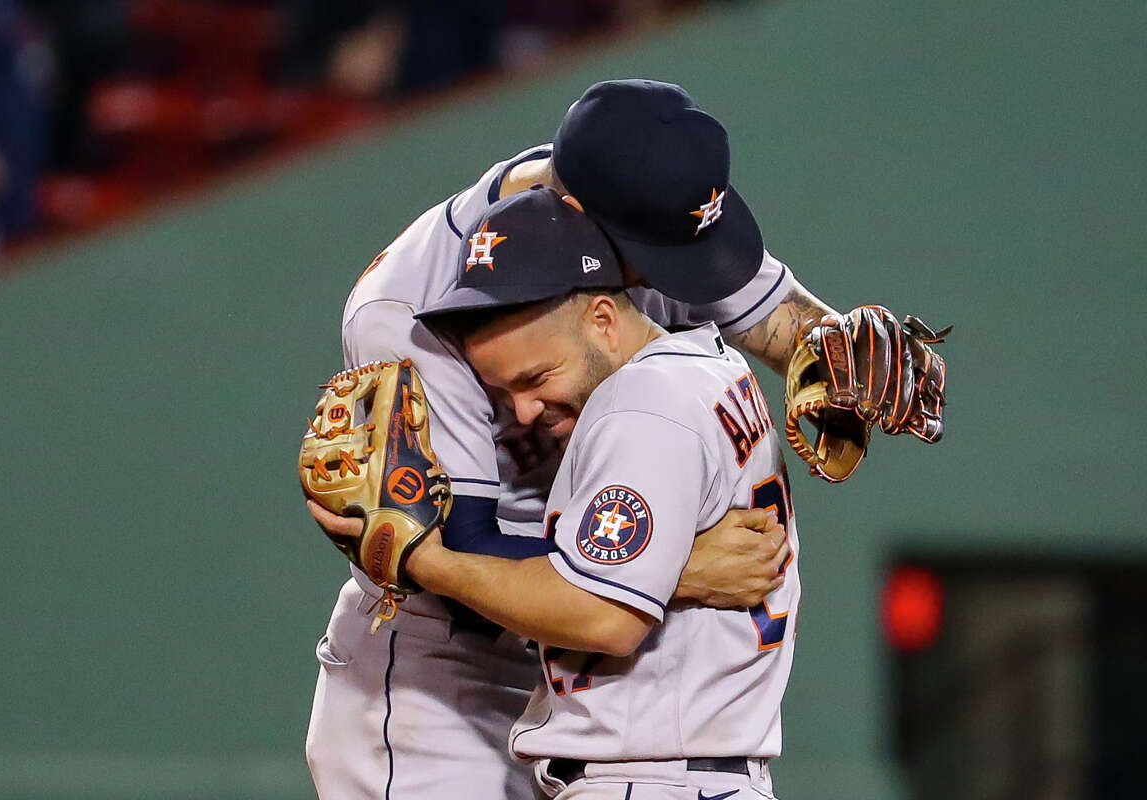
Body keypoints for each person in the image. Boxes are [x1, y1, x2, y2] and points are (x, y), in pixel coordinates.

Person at [304, 79, 877, 799]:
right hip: (445, 676)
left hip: (584, 670)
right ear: (575, 218)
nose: (675, 276)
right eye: (656, 256)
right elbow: (450, 553)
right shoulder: (409, 310)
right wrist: (669, 570)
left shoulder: (637, 202)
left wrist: (850, 357)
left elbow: (791, 330)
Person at [403, 184, 797, 799]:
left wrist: (425, 562)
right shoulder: (710, 365)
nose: (525, 411)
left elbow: (604, 614)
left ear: (604, 319)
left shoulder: (641, 403)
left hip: (648, 778)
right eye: (504, 395)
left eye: (537, 378)